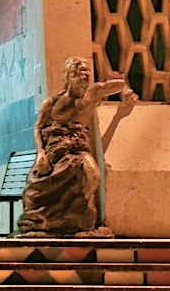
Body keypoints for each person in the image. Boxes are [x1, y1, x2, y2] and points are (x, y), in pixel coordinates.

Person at [18, 57, 138, 237]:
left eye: (87, 74)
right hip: (54, 152)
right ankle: (50, 220)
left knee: (93, 176)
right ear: (69, 76)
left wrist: (126, 93)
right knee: (35, 194)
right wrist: (41, 153)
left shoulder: (93, 94)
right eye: (80, 74)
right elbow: (38, 128)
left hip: (77, 149)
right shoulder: (52, 103)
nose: (84, 78)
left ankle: (78, 213)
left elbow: (118, 85)